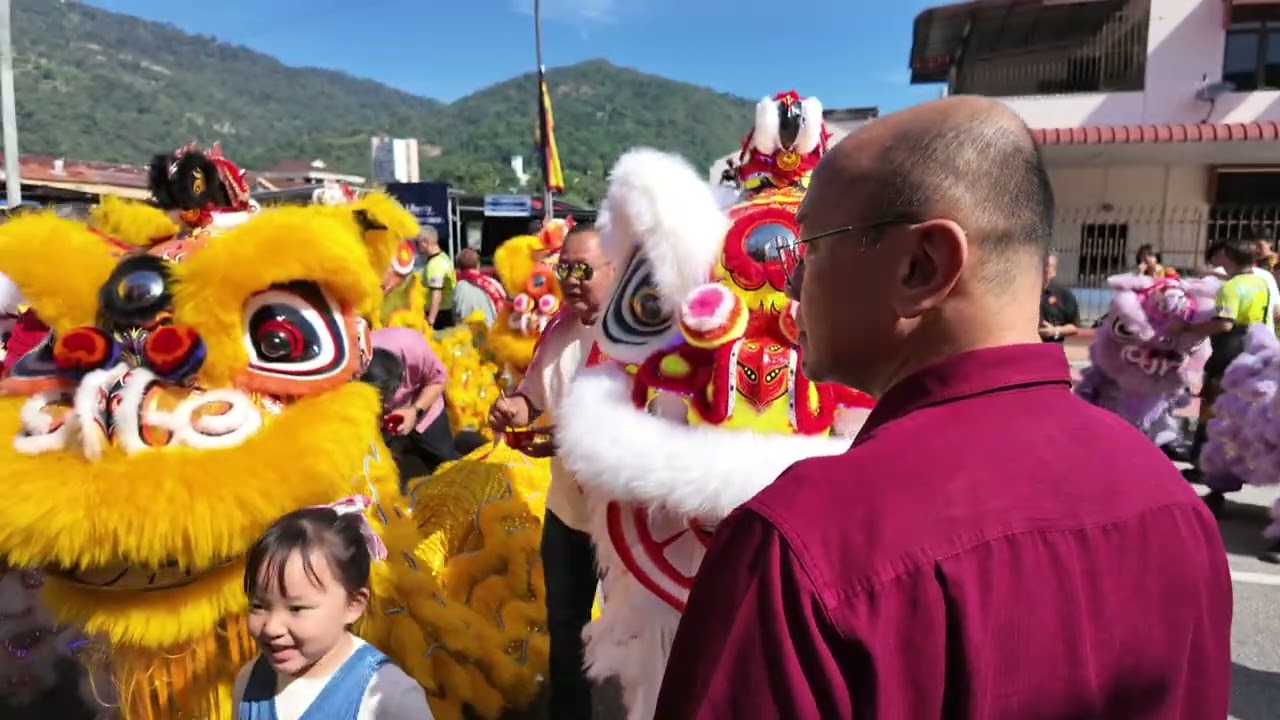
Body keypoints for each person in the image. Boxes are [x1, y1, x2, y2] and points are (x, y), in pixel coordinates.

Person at [653, 96, 1231, 719]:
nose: (791, 284)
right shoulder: (1174, 505)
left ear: (921, 266)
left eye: (809, 248)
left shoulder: (806, 540)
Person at [486, 223, 614, 720]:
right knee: (565, 631)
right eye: (564, 270)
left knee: (637, 635)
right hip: (568, 512)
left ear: (616, 268)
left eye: (583, 269)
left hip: (629, 523)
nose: (572, 281)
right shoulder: (559, 329)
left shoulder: (647, 332)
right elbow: (532, 398)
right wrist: (513, 410)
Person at [232, 501, 432, 719]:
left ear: (353, 604)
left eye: (296, 608)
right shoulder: (249, 684)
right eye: (258, 606)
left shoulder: (387, 697)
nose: (272, 627)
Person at [1175, 237, 1272, 509]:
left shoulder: (1230, 288)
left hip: (1229, 355)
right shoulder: (1260, 283)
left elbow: (1224, 325)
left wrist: (1189, 329)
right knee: (1242, 420)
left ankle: (1213, 484)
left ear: (1227, 257)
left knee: (1214, 419)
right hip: (1256, 354)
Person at [369, 327, 458, 480]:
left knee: (446, 462)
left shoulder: (413, 348)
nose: (388, 402)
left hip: (423, 408)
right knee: (377, 469)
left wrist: (415, 411)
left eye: (389, 394)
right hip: (377, 421)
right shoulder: (349, 366)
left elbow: (438, 381)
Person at [452, 248, 504, 325]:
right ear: (478, 264)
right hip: (494, 330)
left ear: (459, 266)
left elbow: (456, 315)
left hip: (469, 333)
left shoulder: (458, 288)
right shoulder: (493, 283)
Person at [418, 227, 456, 330]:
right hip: (445, 312)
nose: (416, 247)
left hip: (439, 316)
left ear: (424, 242)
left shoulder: (435, 264)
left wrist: (430, 322)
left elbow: (437, 294)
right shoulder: (443, 258)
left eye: (417, 243)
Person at [1038, 251, 1080, 343]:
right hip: (1027, 348)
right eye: (1042, 265)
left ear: (1054, 271)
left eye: (1048, 266)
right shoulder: (1025, 291)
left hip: (1051, 349)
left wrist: (1055, 331)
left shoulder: (1064, 294)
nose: (1045, 269)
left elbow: (1074, 327)